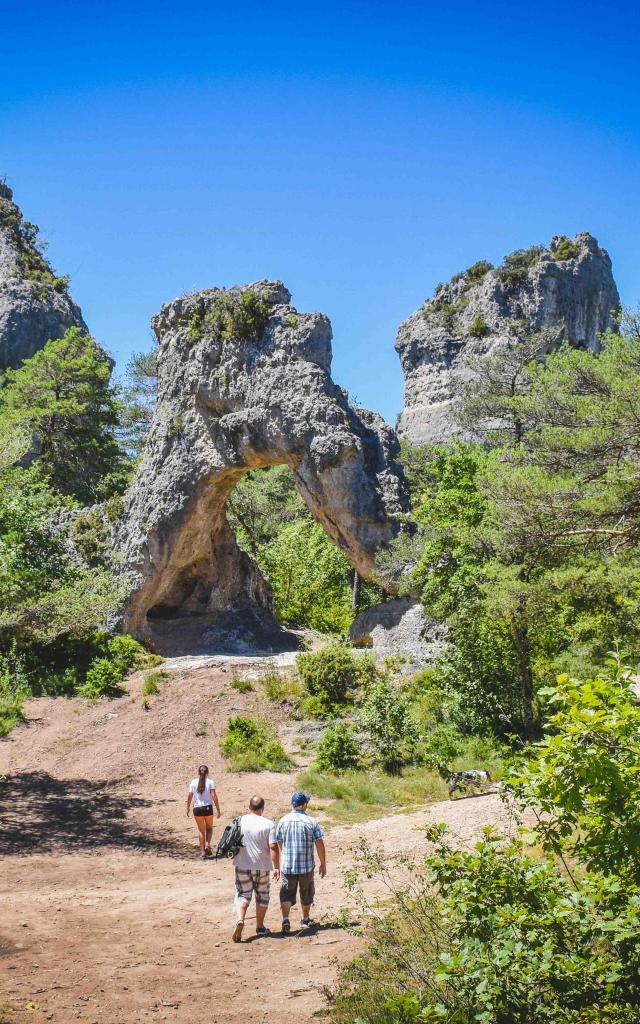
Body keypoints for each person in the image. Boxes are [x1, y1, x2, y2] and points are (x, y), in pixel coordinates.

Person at [272, 791, 326, 933]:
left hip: (288, 865)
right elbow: (319, 843)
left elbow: (279, 841)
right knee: (306, 893)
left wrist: (285, 853)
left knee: (286, 894)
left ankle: (285, 919)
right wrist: (323, 863)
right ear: (304, 805)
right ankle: (305, 919)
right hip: (306, 866)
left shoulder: (283, 820)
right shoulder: (312, 822)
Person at [231, 794, 278, 942]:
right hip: (262, 865)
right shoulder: (269, 824)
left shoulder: (239, 821)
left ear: (249, 807)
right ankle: (259, 926)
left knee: (243, 894)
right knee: (262, 895)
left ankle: (240, 919)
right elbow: (273, 846)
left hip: (242, 863)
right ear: (262, 808)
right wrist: (276, 867)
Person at [186, 764, 221, 858]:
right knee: (209, 828)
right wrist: (218, 809)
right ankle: (207, 844)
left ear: (198, 772)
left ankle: (202, 852)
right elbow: (213, 795)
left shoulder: (193, 782)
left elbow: (190, 796)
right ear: (207, 772)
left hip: (197, 809)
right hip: (208, 808)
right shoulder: (210, 782)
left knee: (201, 831)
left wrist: (188, 808)